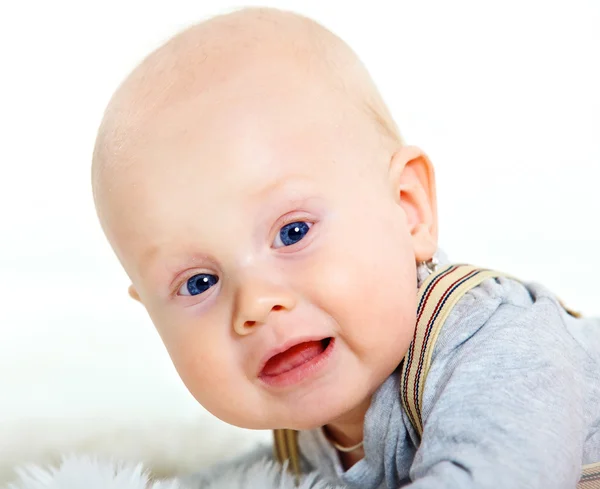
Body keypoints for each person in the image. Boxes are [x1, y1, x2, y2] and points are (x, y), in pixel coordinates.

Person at [90, 7, 600, 488]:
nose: (256, 304)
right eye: (199, 283)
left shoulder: (497, 344)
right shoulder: (308, 405)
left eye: (293, 233)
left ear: (407, 209)